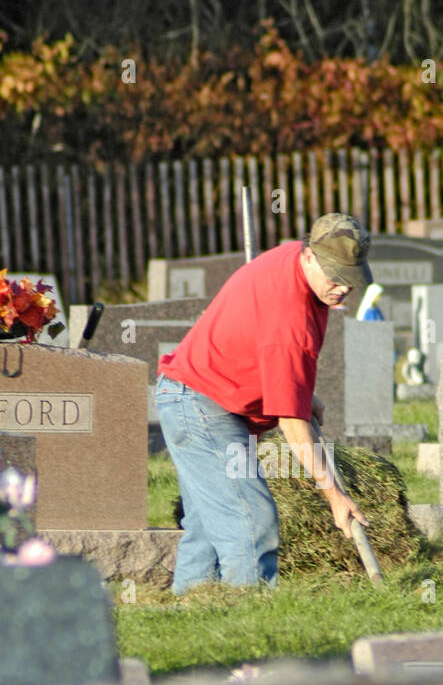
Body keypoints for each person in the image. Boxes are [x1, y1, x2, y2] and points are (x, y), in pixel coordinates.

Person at [155, 213, 372, 594]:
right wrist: (335, 497)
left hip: (193, 392)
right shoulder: (291, 320)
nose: (342, 288)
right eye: (334, 276)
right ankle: (248, 623)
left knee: (207, 526)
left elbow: (260, 343)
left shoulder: (292, 258)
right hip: (202, 406)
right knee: (251, 522)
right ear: (309, 256)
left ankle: (191, 611)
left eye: (349, 279)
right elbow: (291, 423)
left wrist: (304, 393)